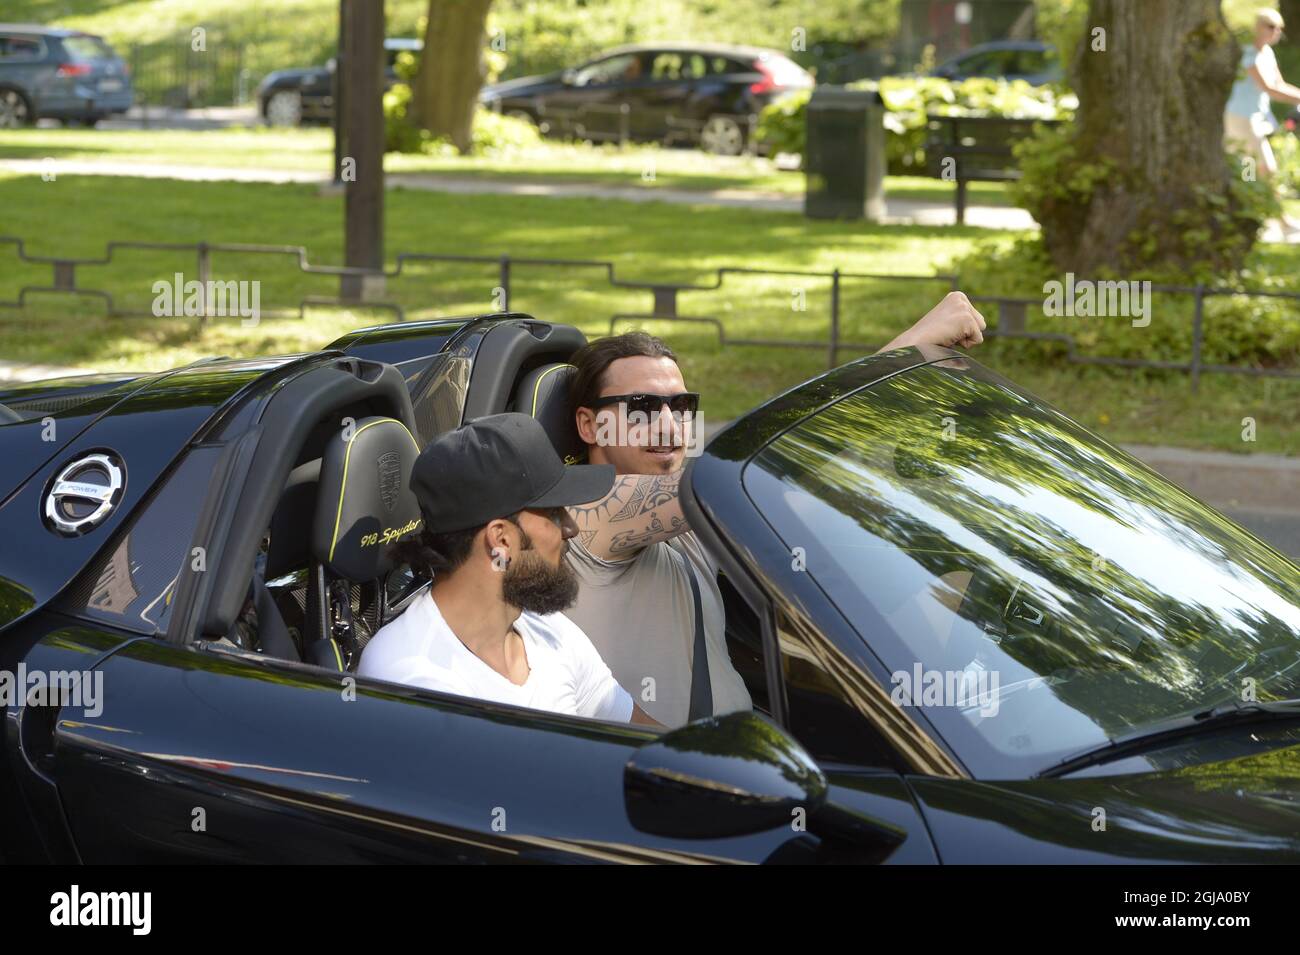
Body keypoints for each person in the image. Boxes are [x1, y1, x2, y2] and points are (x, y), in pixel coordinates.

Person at [562, 292, 988, 727]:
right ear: (589, 424)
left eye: (682, 406)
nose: (670, 426)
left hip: (748, 757)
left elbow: (785, 475)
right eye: (644, 408)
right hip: (670, 781)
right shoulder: (584, 516)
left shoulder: (685, 500)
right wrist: (911, 347)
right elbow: (765, 460)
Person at [358, 413, 658, 726]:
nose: (571, 528)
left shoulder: (548, 631)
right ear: (501, 539)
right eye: (555, 513)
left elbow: (642, 738)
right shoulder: (416, 679)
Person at [1225, 8, 1300, 230]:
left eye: (1279, 28)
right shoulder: (1250, 55)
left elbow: (1279, 84)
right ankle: (1278, 219)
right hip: (1241, 117)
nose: (1276, 31)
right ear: (1259, 27)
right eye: (1271, 26)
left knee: (1249, 167)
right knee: (1266, 167)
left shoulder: (1267, 53)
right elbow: (1268, 88)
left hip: (1254, 118)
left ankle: (1253, 213)